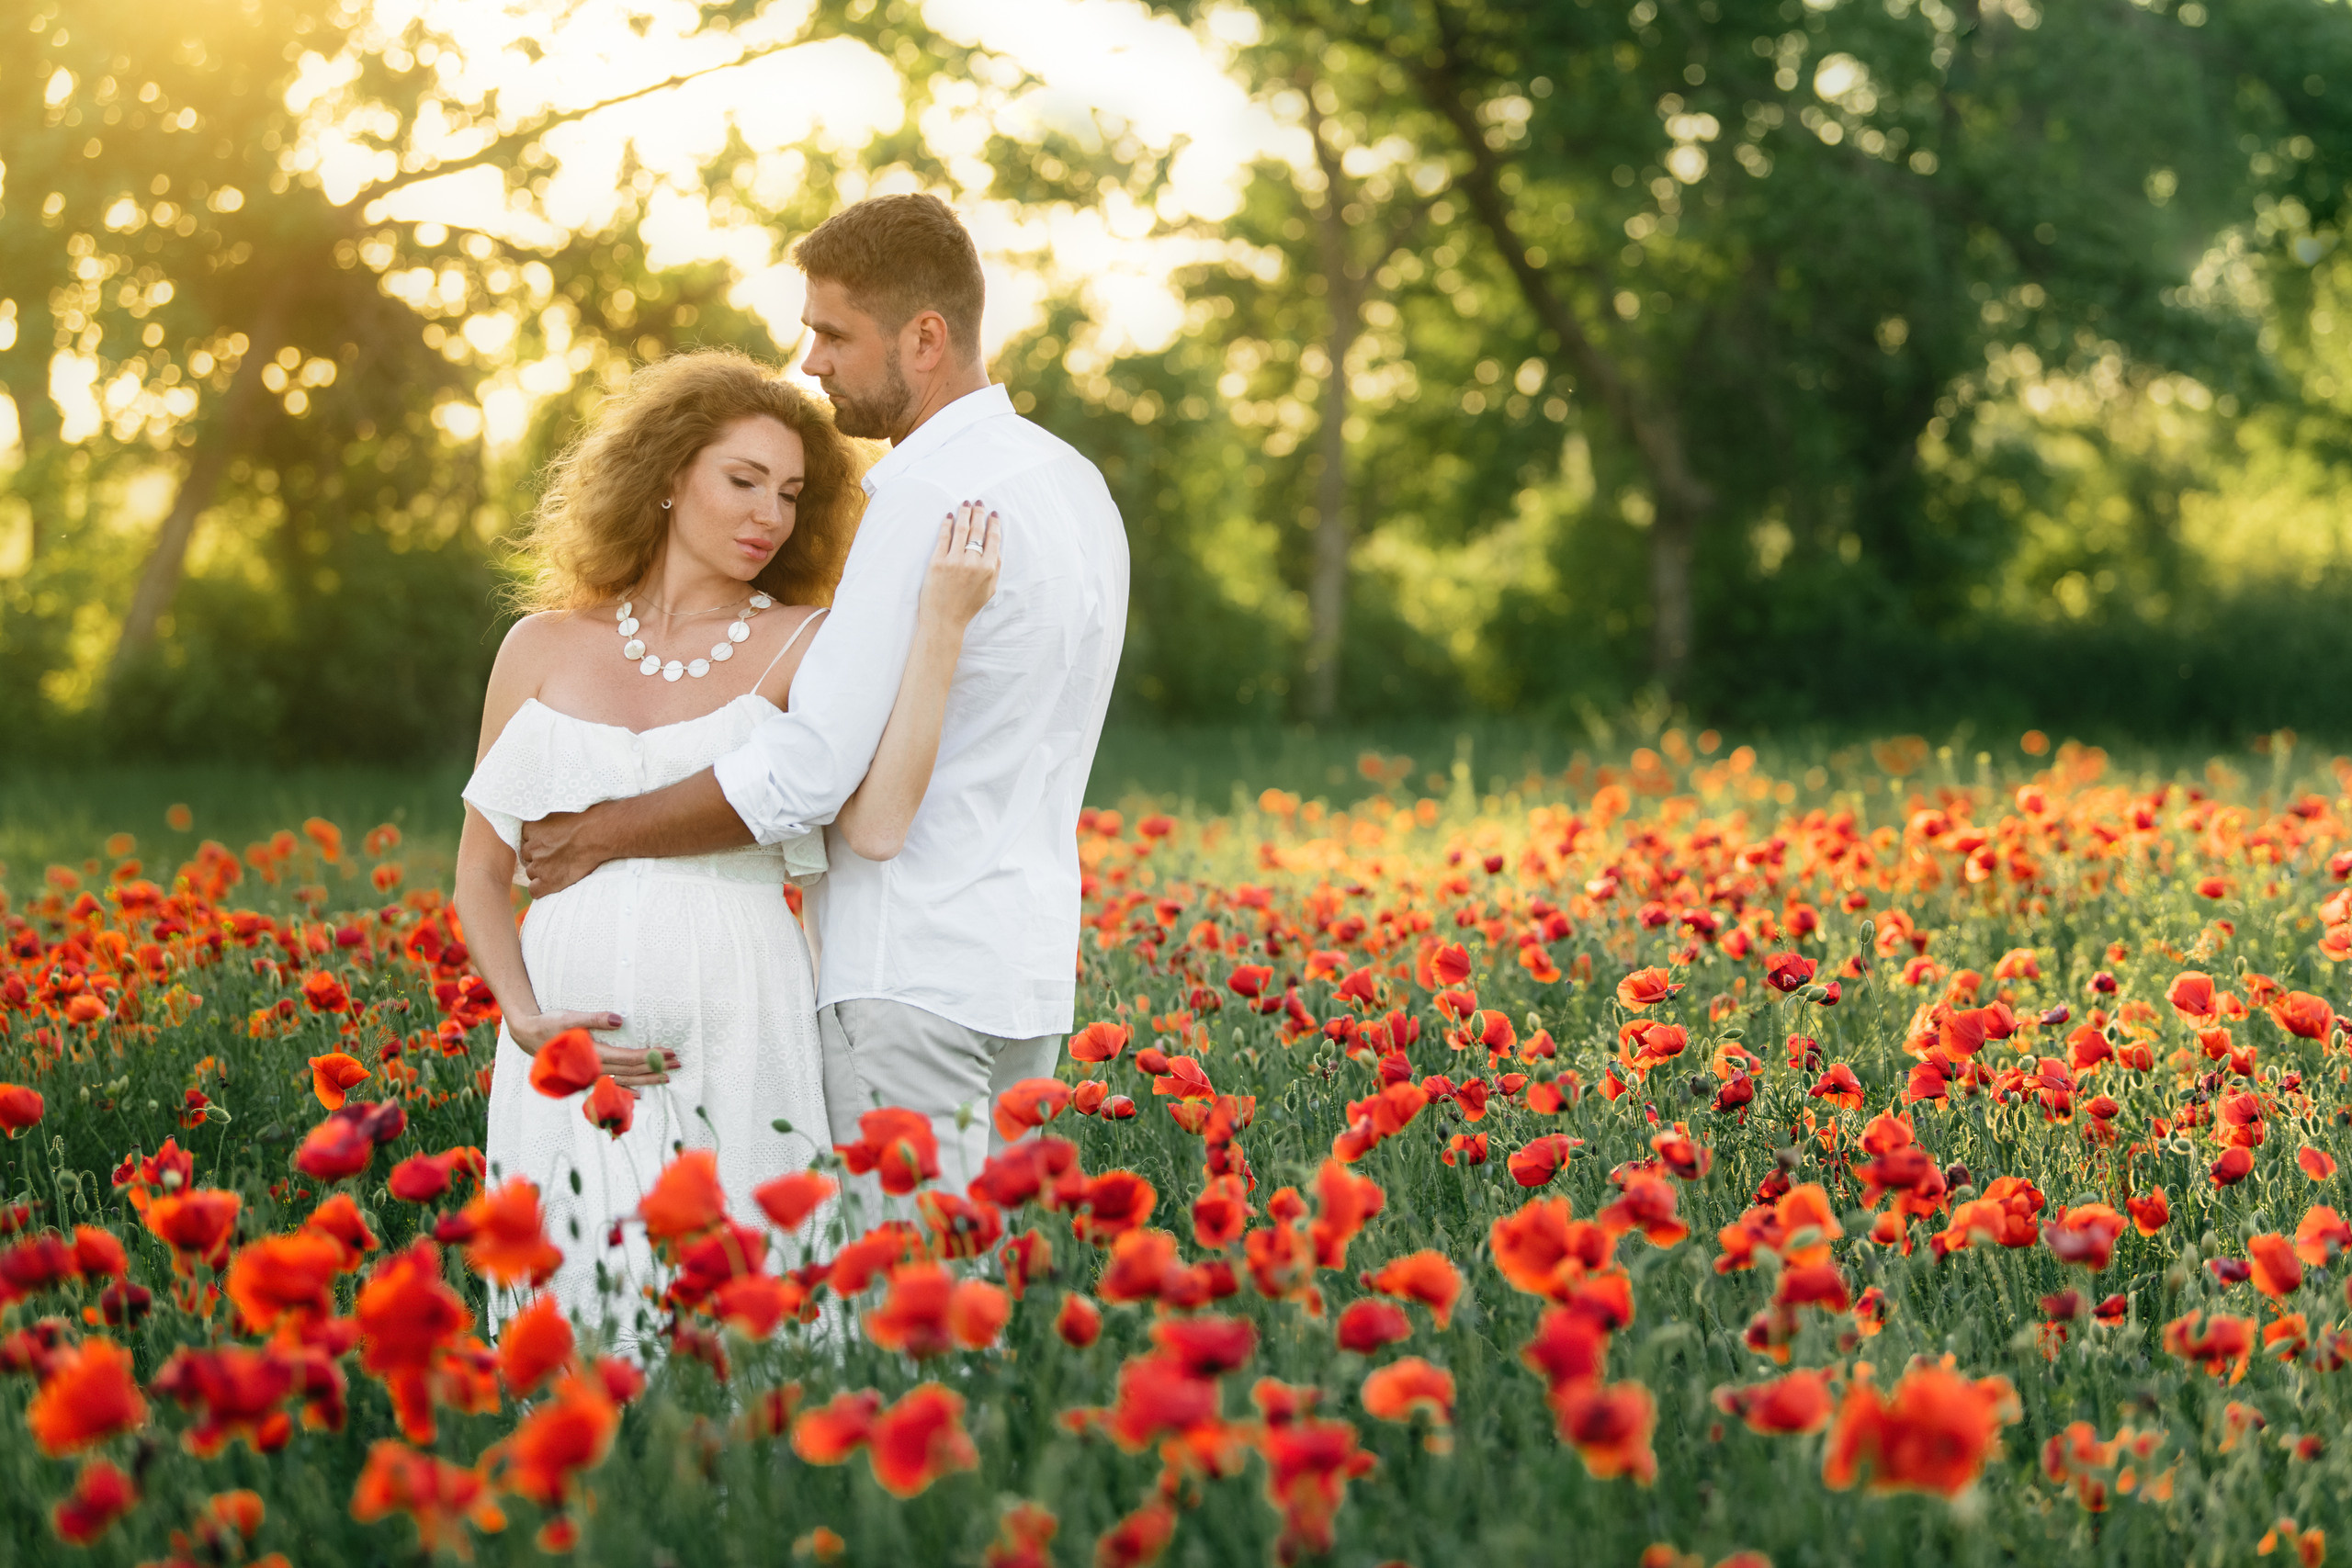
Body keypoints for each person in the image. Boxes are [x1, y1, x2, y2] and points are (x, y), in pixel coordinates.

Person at [516, 194, 1131, 1207]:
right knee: (981, 1299)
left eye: (834, 333)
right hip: (1024, 970)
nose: (812, 362)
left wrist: (603, 831)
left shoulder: (926, 494)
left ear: (924, 338)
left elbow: (807, 770)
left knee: (911, 1317)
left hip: (905, 971)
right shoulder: (1074, 487)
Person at [454, 346, 1002, 1332]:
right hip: (563, 1049)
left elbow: (878, 817)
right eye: (742, 481)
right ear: (668, 478)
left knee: (744, 1326)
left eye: (791, 494)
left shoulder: (807, 639)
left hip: (744, 1019)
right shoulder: (537, 645)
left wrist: (940, 632)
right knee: (572, 1323)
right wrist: (526, 1018)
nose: (769, 516)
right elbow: (481, 874)